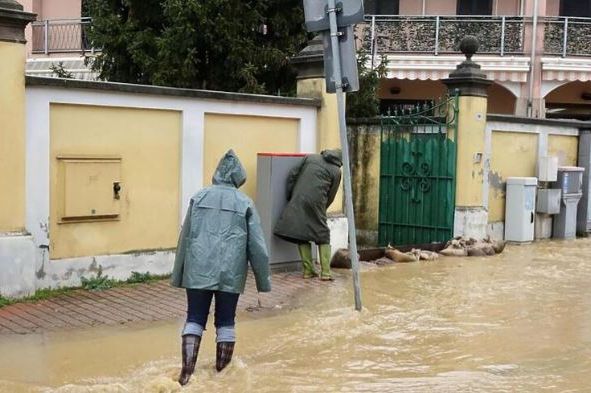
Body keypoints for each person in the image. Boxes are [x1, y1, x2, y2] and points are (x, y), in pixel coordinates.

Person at [171, 149, 271, 386]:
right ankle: (222, 377)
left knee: (194, 317)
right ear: (238, 178)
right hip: (231, 271)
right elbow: (257, 246)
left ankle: (186, 373)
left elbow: (184, 238)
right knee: (226, 321)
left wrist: (179, 274)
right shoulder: (245, 202)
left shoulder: (199, 197)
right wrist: (263, 281)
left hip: (198, 269)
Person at [274, 149, 342, 281]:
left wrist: (291, 195)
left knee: (302, 233)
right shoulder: (336, 171)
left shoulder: (310, 158)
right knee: (323, 235)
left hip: (299, 198)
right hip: (317, 203)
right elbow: (331, 195)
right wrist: (323, 208)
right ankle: (326, 273)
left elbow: (292, 174)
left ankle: (308, 271)